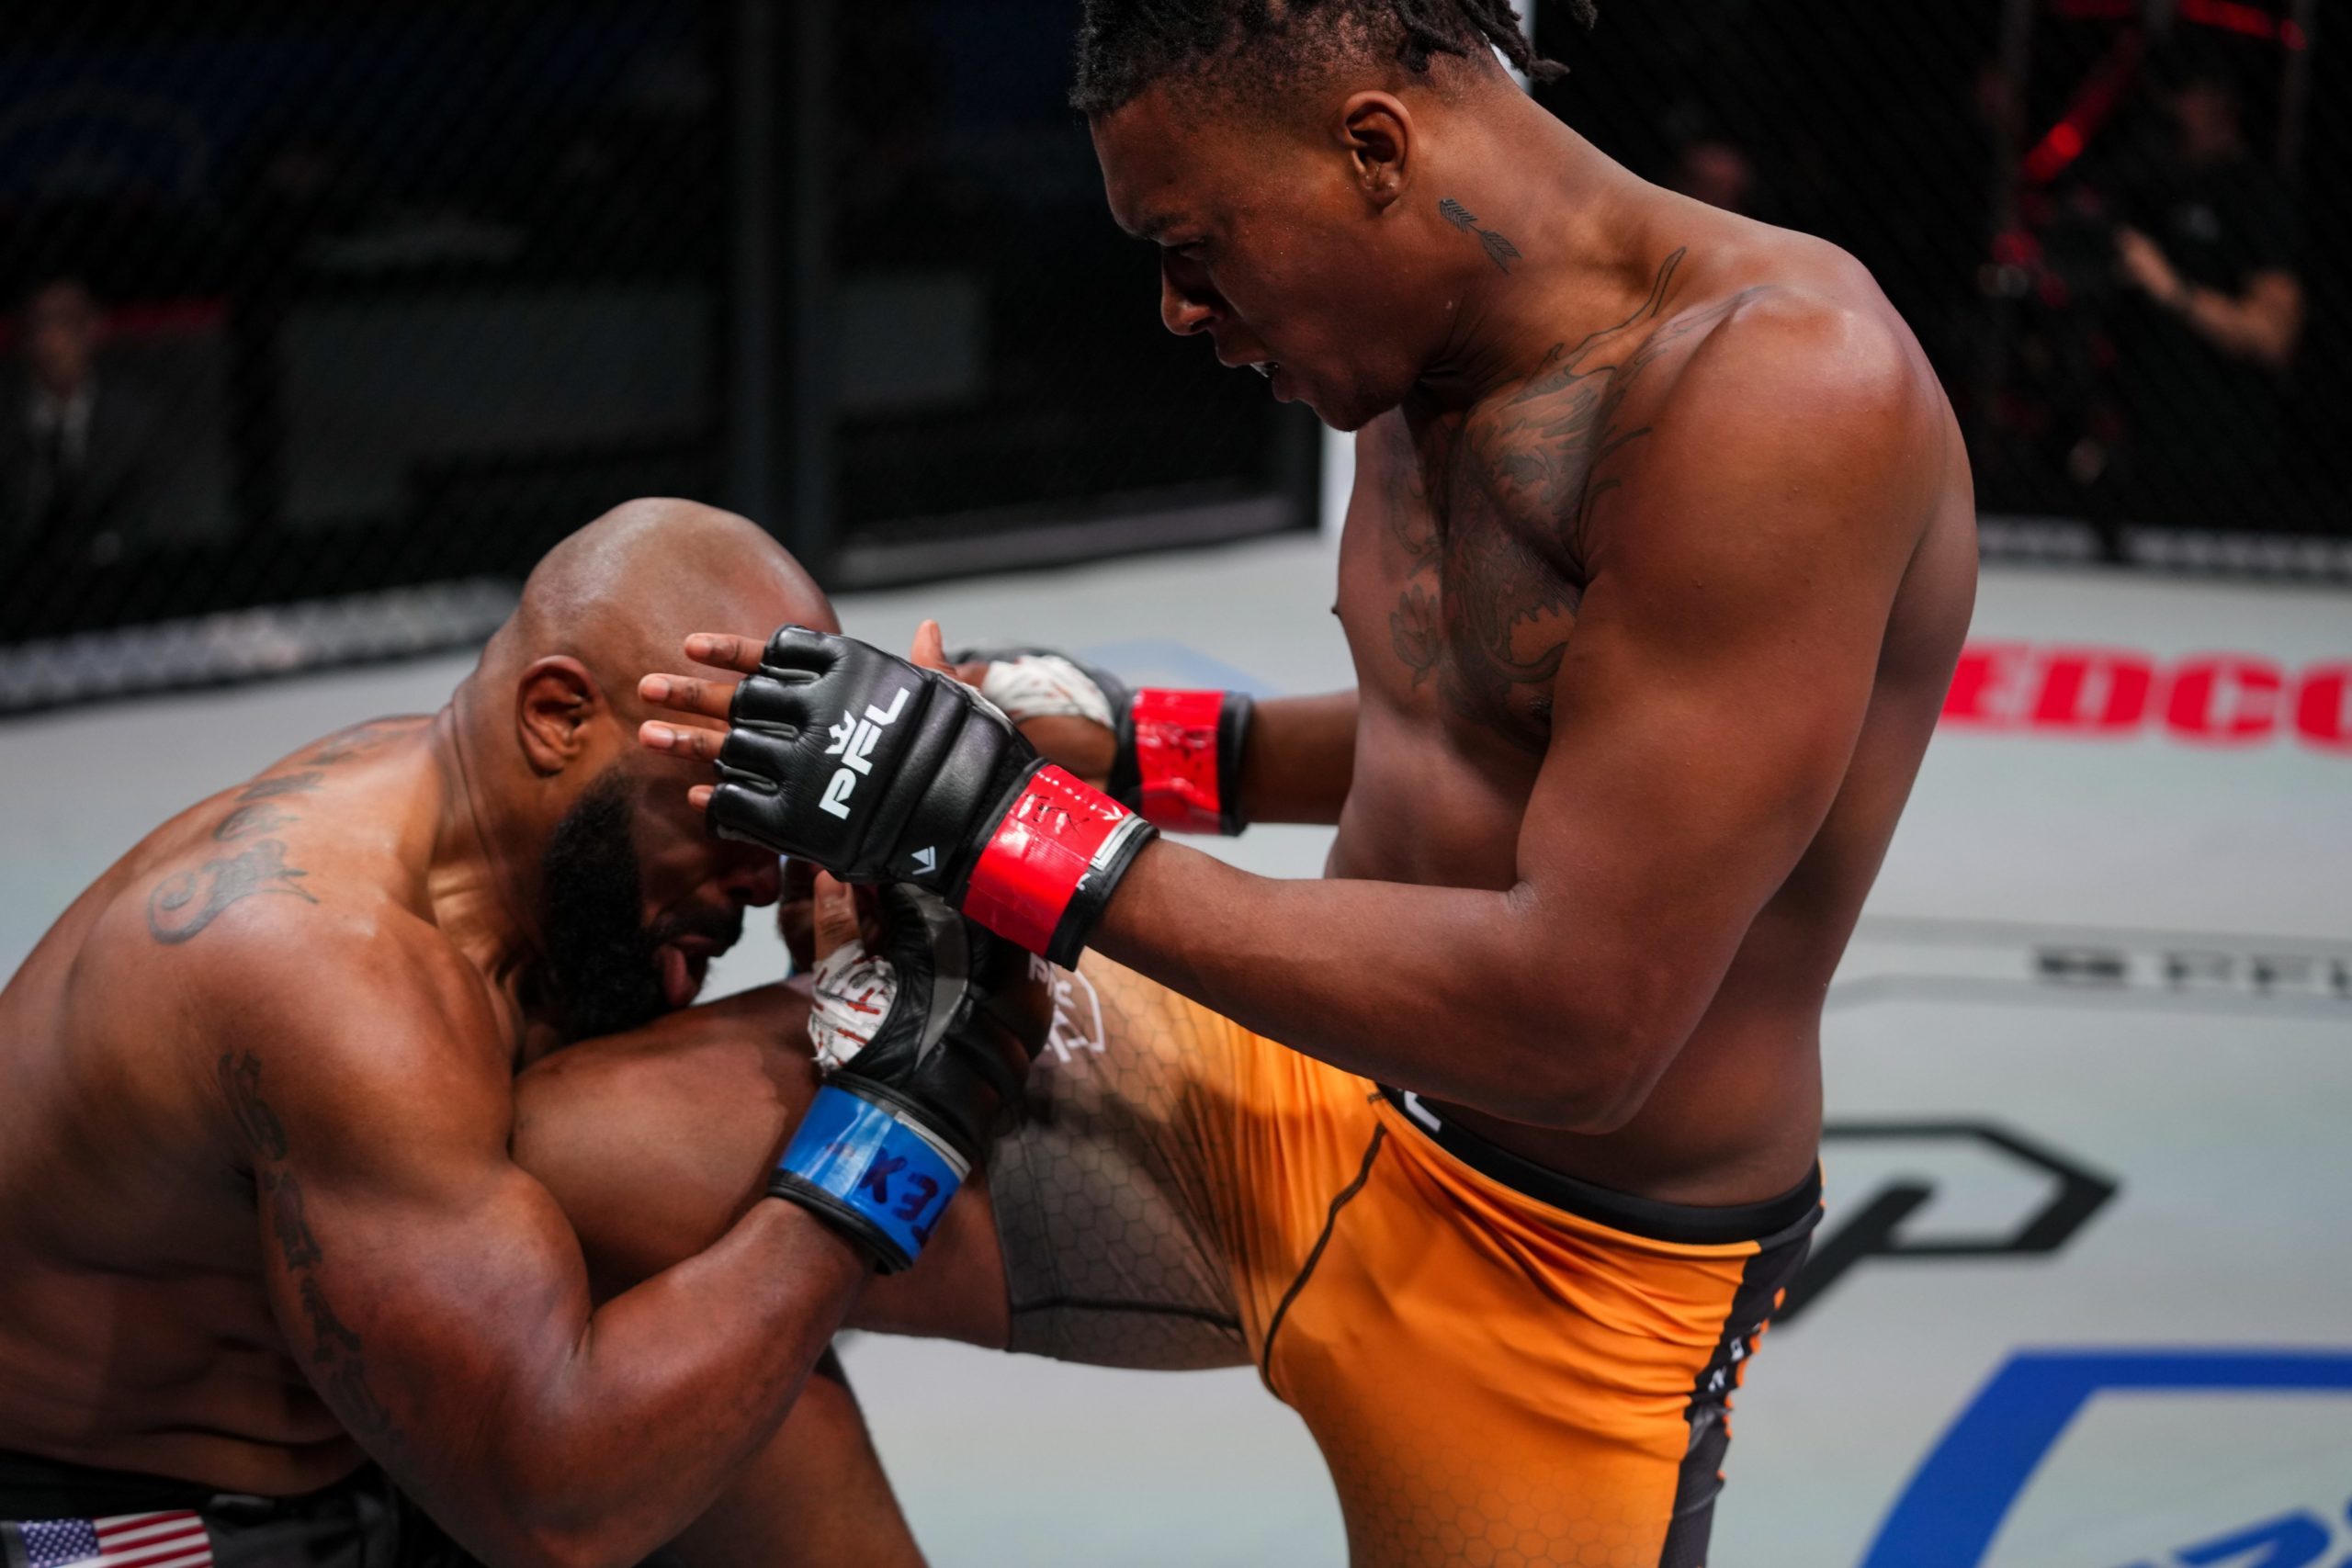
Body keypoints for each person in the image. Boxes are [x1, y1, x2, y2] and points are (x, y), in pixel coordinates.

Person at [628, 2, 1979, 1562]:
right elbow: (1476, 718)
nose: (1175, 308)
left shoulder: (1782, 393)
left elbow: (1578, 1024)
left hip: (1567, 1273)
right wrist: (1120, 737)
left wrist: (1006, 825)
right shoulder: (1411, 331)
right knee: (589, 1179)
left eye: (1195, 244)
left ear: (1373, 150)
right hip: (1286, 1091)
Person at [0, 499, 1045, 1567]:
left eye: (786, 823)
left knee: (688, 1259)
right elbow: (556, 1518)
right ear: (557, 717)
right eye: (735, 813)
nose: (763, 878)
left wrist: (847, 977)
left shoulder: (506, 845)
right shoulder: (327, 972)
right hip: (132, 1523)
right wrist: (890, 1125)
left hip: (373, 1466)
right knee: (766, 1229)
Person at [2109, 48, 2304, 528]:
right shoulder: (2149, 190)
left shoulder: (2258, 194)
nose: (2169, 107)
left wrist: (2174, 291)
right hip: (2144, 452)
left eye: (2183, 92)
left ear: (2220, 99)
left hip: (2230, 460)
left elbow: (2272, 337)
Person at [1, 276, 165, 570]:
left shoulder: (134, 418)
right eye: (39, 323)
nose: (51, 338)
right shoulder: (11, 417)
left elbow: (147, 515)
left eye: (65, 322)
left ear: (94, 328)